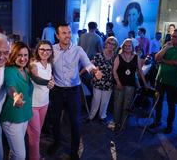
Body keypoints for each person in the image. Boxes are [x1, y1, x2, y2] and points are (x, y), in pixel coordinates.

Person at [48, 23, 102, 159]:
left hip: (73, 91)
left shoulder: (78, 49)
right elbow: (45, 64)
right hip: (57, 90)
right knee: (54, 119)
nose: (68, 35)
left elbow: (87, 64)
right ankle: (56, 142)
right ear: (57, 36)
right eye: (64, 33)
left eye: (69, 32)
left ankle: (74, 151)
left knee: (75, 122)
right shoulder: (52, 50)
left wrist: (94, 71)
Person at [149, 29, 177, 134]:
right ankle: (157, 121)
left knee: (171, 104)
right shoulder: (167, 46)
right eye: (172, 36)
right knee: (157, 102)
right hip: (160, 79)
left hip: (173, 81)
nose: (173, 38)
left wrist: (163, 61)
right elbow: (157, 57)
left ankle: (169, 125)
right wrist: (166, 48)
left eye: (176, 37)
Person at [0, 41, 33, 160]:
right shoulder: (9, 71)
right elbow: (10, 85)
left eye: (25, 55)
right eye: (19, 55)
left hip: (23, 115)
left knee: (15, 152)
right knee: (20, 155)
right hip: (12, 119)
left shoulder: (25, 70)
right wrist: (15, 96)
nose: (23, 58)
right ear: (13, 55)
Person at [27, 40, 55, 160]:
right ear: (37, 50)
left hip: (44, 103)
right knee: (35, 134)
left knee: (37, 134)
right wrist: (48, 82)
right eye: (42, 49)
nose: (45, 52)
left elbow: (50, 77)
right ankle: (35, 157)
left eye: (48, 50)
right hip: (33, 104)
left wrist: (52, 80)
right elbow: (36, 79)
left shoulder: (49, 64)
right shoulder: (34, 64)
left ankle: (34, 155)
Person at [113, 38, 149, 130]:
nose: (127, 47)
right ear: (123, 47)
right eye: (126, 46)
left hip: (131, 84)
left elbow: (140, 71)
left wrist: (145, 84)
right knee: (118, 104)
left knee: (127, 105)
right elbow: (114, 71)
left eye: (129, 45)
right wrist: (118, 82)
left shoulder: (136, 57)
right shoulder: (119, 56)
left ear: (132, 47)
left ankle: (123, 123)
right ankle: (116, 123)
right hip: (119, 84)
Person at [87, 36, 118, 123]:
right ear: (106, 44)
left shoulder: (116, 57)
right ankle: (91, 116)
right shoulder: (98, 55)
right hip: (98, 81)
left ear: (115, 46)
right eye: (109, 43)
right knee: (96, 100)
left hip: (109, 82)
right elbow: (91, 67)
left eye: (113, 44)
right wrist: (94, 72)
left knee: (105, 101)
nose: (111, 45)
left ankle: (102, 116)